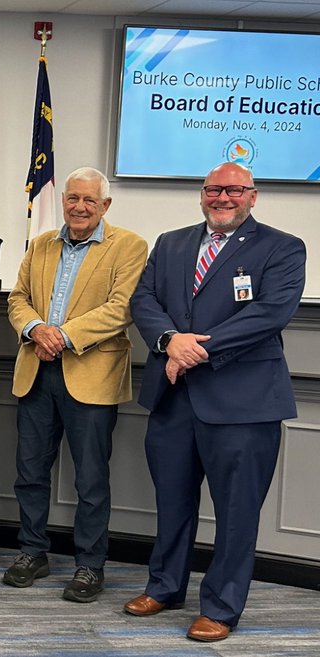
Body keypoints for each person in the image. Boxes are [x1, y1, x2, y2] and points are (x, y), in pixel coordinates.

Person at [126, 162, 305, 642]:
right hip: (174, 399)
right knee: (172, 501)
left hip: (242, 403)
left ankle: (221, 607)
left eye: (234, 190)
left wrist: (194, 349)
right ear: (201, 194)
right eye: (213, 189)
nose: (222, 197)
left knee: (236, 511)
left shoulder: (282, 247)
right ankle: (164, 586)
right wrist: (169, 340)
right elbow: (144, 300)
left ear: (252, 196)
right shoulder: (171, 243)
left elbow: (269, 314)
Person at [5, 166, 148, 602]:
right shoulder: (41, 244)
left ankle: (90, 565)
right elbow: (17, 299)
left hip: (91, 374)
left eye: (90, 200)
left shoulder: (130, 246)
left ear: (105, 205)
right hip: (36, 371)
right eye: (73, 198)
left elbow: (121, 308)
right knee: (30, 474)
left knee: (90, 479)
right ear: (63, 200)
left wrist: (62, 334)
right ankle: (33, 552)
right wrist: (34, 329)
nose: (80, 207)